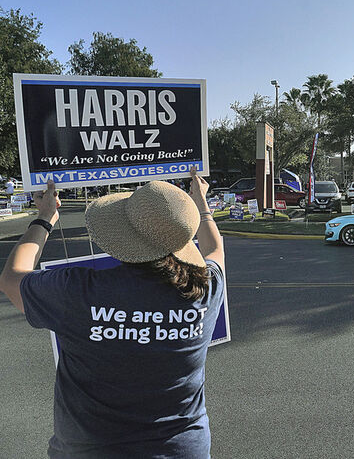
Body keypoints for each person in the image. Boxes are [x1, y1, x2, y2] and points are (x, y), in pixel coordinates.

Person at [0, 168, 224, 458]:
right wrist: (201, 204)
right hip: (184, 450)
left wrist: (44, 218)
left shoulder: (78, 291)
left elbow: (11, 278)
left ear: (124, 237)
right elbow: (215, 250)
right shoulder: (206, 288)